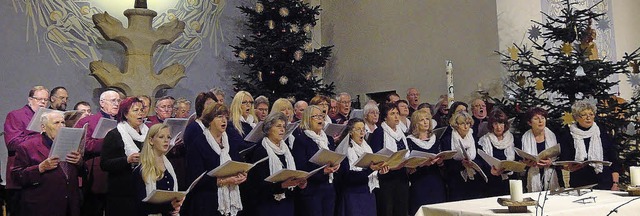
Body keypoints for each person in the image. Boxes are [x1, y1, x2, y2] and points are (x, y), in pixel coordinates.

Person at [12, 111, 83, 216]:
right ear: (43, 127)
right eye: (56, 123)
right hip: (43, 206)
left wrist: (80, 162)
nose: (61, 126)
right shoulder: (27, 146)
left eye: (63, 122)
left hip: (70, 206)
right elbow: (16, 176)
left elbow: (80, 172)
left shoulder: (72, 143)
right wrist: (40, 168)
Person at [183, 103, 246, 216]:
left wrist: (242, 174)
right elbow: (195, 179)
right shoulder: (198, 144)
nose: (224, 120)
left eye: (225, 116)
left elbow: (238, 163)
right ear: (209, 120)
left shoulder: (230, 141)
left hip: (231, 199)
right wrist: (224, 181)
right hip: (206, 202)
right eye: (219, 116)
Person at [245, 112, 307, 216]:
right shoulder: (261, 151)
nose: (282, 129)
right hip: (267, 204)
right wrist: (281, 185)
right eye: (278, 126)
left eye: (283, 126)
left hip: (287, 202)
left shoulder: (286, 150)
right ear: (268, 129)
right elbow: (256, 185)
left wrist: (299, 182)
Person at [4, 85, 49, 215]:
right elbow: (12, 144)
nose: (43, 102)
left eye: (46, 100)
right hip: (21, 175)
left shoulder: (50, 117)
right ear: (30, 100)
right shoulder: (16, 115)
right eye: (39, 99)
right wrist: (39, 135)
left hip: (45, 177)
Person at [73, 90, 120, 216]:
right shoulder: (88, 121)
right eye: (113, 101)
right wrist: (108, 141)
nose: (116, 104)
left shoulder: (123, 121)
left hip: (119, 173)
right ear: (102, 103)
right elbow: (83, 145)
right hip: (97, 174)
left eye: (118, 101)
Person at [557, 101, 621, 190]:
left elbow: (613, 159)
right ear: (576, 117)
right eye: (584, 115)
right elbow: (564, 160)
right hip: (580, 184)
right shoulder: (568, 135)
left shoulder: (601, 133)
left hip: (604, 182)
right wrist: (569, 167)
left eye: (591, 114)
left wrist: (615, 183)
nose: (588, 118)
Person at [101, 97, 148, 216]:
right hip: (122, 192)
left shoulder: (148, 134)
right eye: (135, 110)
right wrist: (127, 160)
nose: (140, 113)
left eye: (141, 110)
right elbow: (105, 164)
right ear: (126, 114)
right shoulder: (115, 134)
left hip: (144, 188)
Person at [292, 105, 340, 216]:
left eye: (321, 116)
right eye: (315, 116)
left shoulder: (328, 139)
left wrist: (336, 165)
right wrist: (323, 171)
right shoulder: (302, 139)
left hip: (328, 186)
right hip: (312, 189)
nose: (320, 119)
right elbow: (300, 167)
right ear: (307, 119)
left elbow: (333, 156)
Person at [335, 118, 388, 216]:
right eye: (358, 129)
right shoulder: (345, 150)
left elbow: (372, 175)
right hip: (352, 195)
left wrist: (380, 171)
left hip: (368, 193)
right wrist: (370, 170)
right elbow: (347, 178)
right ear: (351, 132)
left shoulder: (367, 149)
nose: (362, 132)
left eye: (363, 129)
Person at [133, 124, 183, 215]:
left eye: (168, 137)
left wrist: (176, 205)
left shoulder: (169, 167)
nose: (166, 140)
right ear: (151, 141)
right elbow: (140, 206)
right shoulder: (141, 171)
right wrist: (170, 206)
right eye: (161, 137)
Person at [369, 102, 409, 216]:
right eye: (392, 114)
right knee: (387, 210)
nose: (396, 116)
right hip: (386, 177)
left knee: (401, 209)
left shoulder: (401, 132)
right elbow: (375, 155)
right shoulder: (379, 132)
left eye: (397, 113)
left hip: (401, 176)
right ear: (385, 117)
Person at [406, 110, 446, 214]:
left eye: (427, 119)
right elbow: (408, 164)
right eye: (422, 120)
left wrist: (440, 162)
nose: (425, 122)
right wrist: (422, 163)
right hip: (419, 181)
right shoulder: (409, 141)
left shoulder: (435, 139)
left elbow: (441, 162)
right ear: (415, 124)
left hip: (436, 180)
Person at [440, 111, 483, 201]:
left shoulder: (473, 137)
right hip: (455, 179)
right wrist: (461, 164)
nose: (466, 126)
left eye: (467, 123)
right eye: (462, 123)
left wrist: (472, 163)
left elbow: (480, 157)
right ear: (456, 125)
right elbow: (446, 161)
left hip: (474, 179)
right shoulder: (448, 139)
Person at [477, 109, 518, 197]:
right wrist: (490, 171)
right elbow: (481, 162)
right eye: (495, 124)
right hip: (491, 183)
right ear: (491, 125)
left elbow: (518, 160)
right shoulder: (484, 141)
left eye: (501, 123)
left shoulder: (513, 139)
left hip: (510, 182)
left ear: (505, 124)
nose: (498, 127)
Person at [520, 107, 559, 192]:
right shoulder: (524, 138)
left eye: (542, 118)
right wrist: (526, 163)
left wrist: (551, 162)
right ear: (529, 123)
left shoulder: (553, 136)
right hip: (532, 173)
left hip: (551, 172)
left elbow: (560, 158)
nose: (540, 121)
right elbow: (520, 161)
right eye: (536, 119)